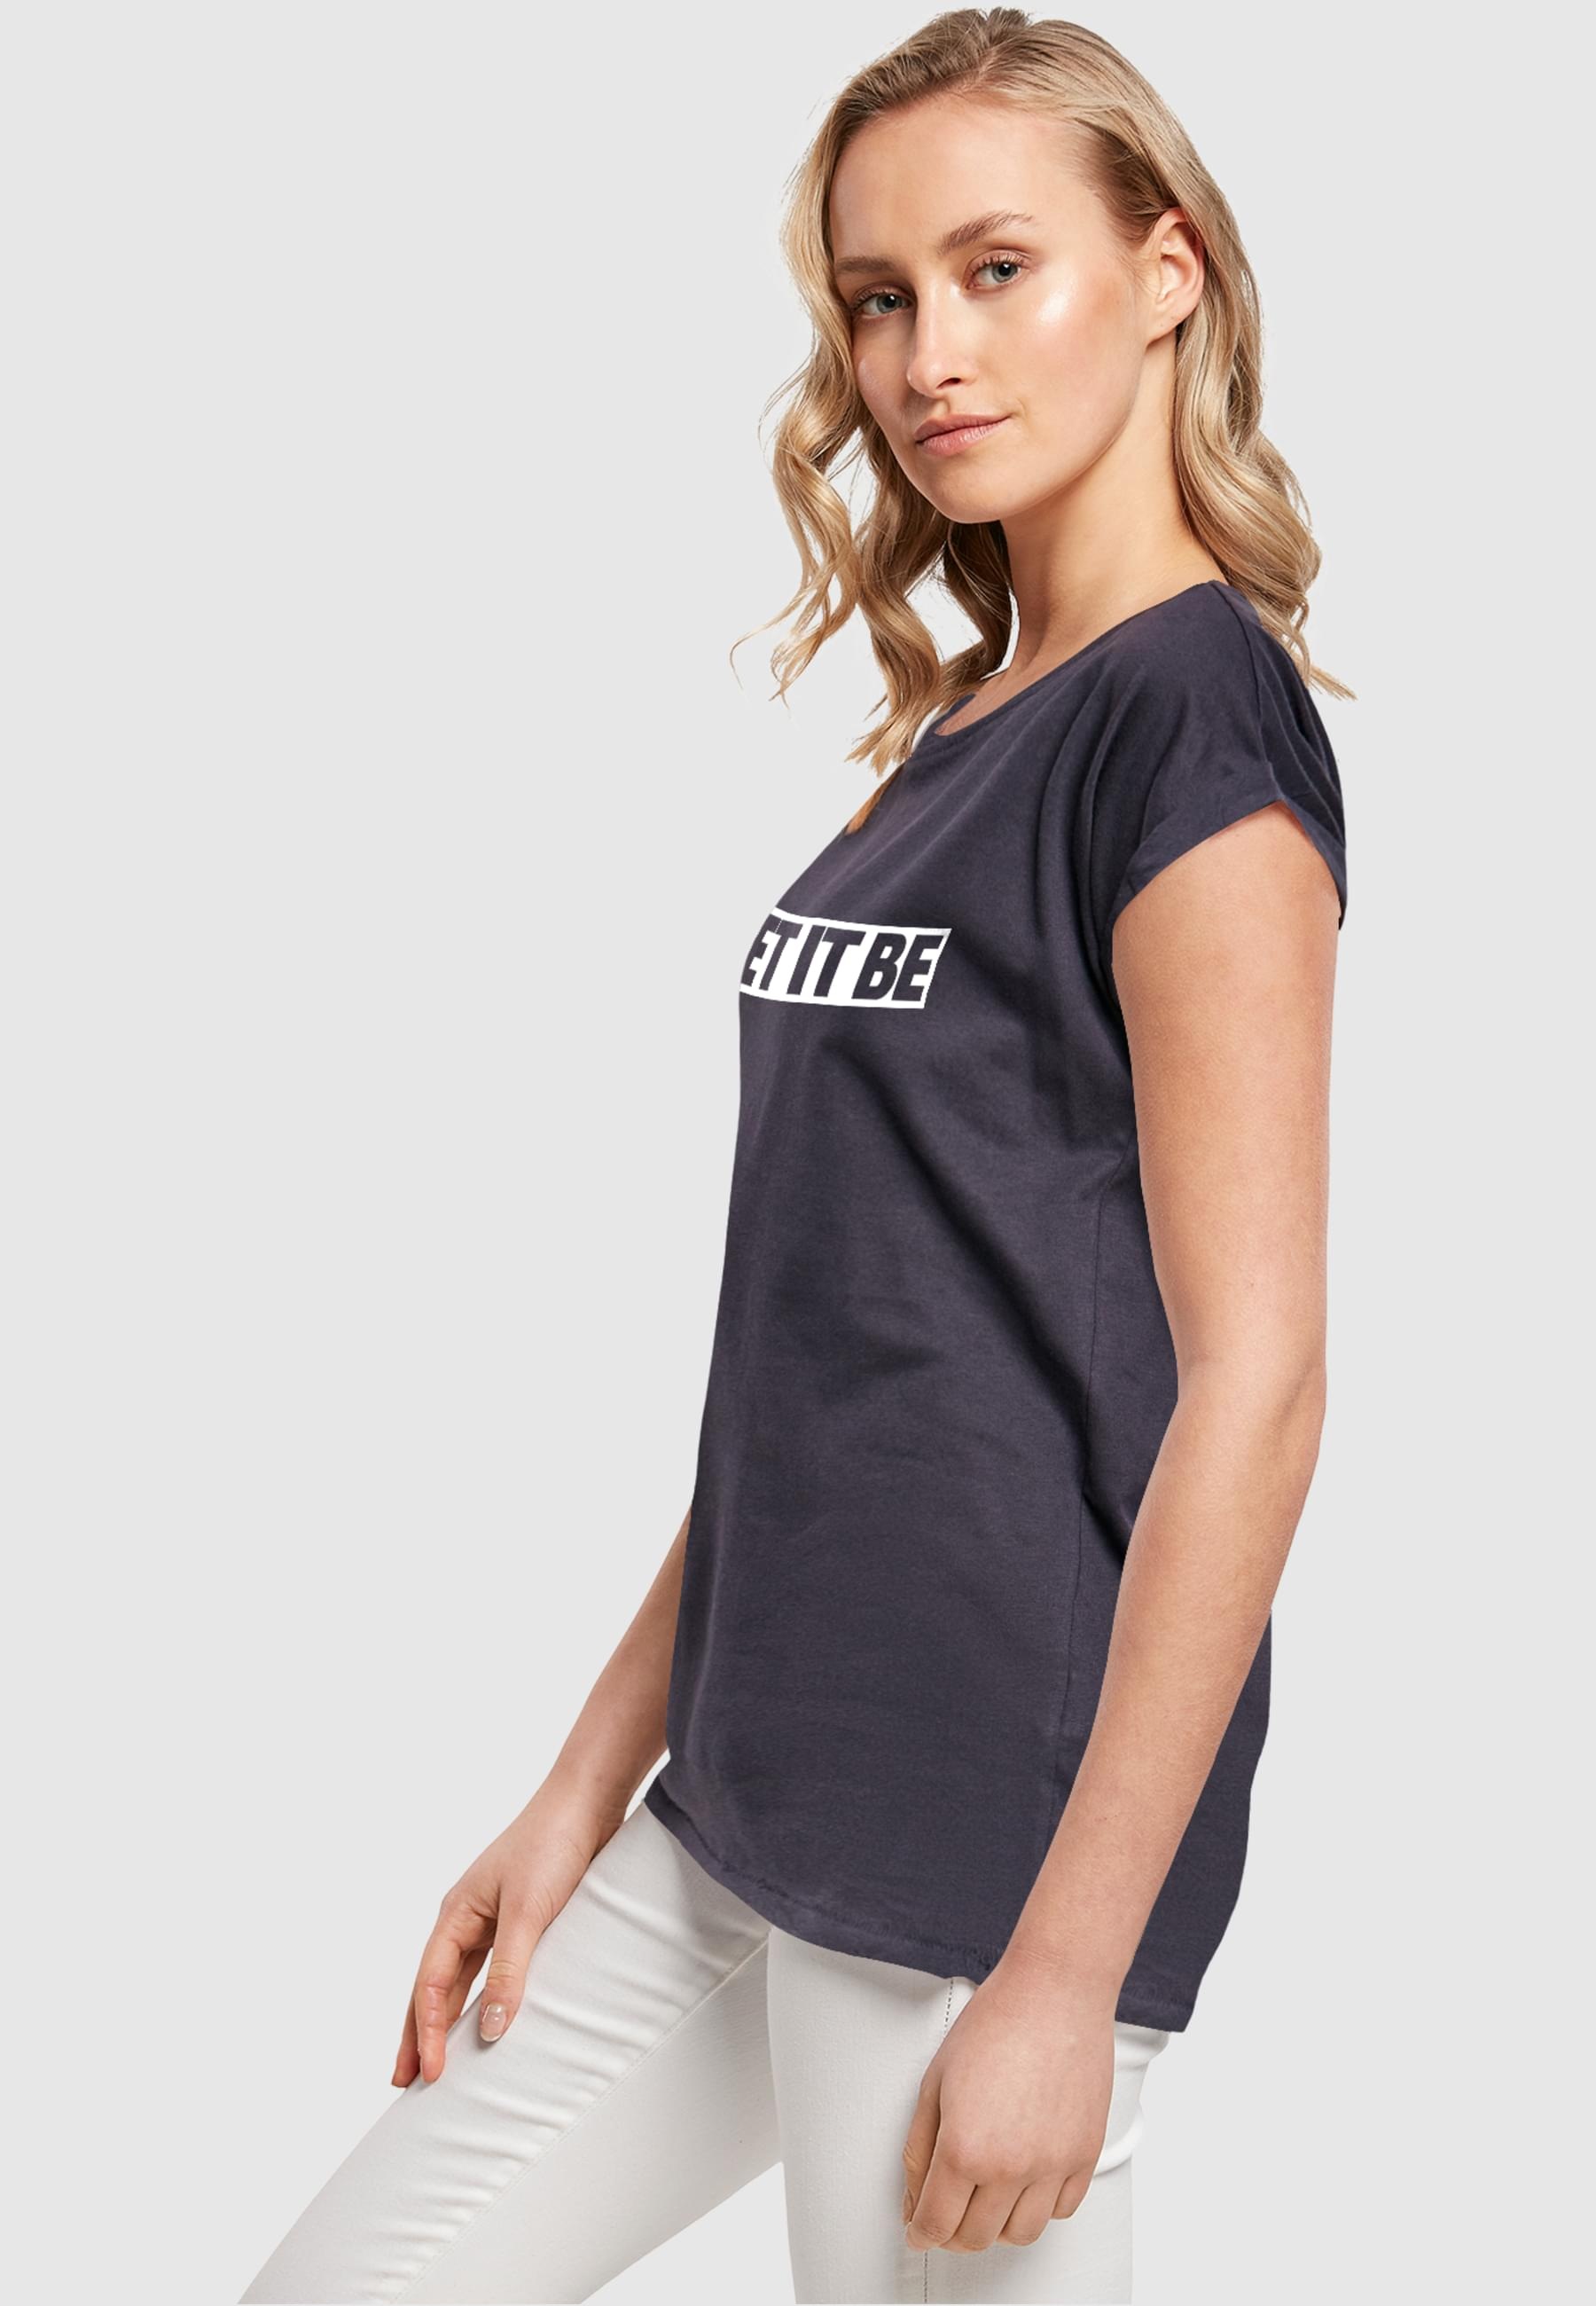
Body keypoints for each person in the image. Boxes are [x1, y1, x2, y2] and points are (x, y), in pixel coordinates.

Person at [239, 11, 1350, 2302]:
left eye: (998, 268)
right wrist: (582, 1788)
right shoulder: (978, 722)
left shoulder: (1186, 725)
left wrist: (1069, 1970)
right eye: (877, 295)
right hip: (754, 1786)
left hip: (985, 1837)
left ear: (1167, 272)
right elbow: (834, 1348)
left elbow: (1258, 1385)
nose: (930, 353)